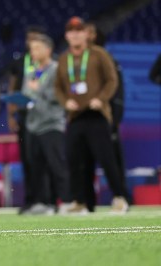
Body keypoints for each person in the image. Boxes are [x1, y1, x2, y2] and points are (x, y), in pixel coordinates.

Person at [54, 16, 129, 214]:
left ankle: (119, 197)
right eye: (72, 31)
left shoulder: (99, 54)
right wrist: (65, 102)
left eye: (79, 31)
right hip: (75, 116)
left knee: (106, 159)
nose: (76, 35)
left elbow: (112, 80)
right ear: (67, 35)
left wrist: (101, 99)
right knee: (75, 160)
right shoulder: (63, 59)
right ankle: (82, 201)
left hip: (96, 114)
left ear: (86, 34)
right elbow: (58, 88)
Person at [19, 32, 71, 215]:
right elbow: (27, 92)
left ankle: (65, 201)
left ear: (48, 50)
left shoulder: (57, 69)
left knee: (57, 165)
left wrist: (38, 90)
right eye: (31, 49)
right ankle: (44, 202)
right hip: (33, 124)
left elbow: (59, 95)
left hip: (51, 124)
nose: (33, 52)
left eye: (37, 48)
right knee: (36, 167)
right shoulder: (32, 71)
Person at [85, 22, 129, 211]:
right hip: (84, 118)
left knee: (111, 160)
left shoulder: (107, 58)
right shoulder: (79, 61)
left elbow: (117, 91)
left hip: (105, 117)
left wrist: (115, 119)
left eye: (87, 32)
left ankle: (121, 197)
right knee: (84, 162)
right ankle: (86, 201)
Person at [5, 26, 42, 214]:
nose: (32, 43)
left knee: (44, 158)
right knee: (27, 158)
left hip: (44, 116)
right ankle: (30, 200)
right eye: (30, 39)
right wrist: (10, 115)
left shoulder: (49, 62)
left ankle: (48, 200)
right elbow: (12, 88)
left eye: (36, 38)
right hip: (25, 115)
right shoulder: (20, 62)